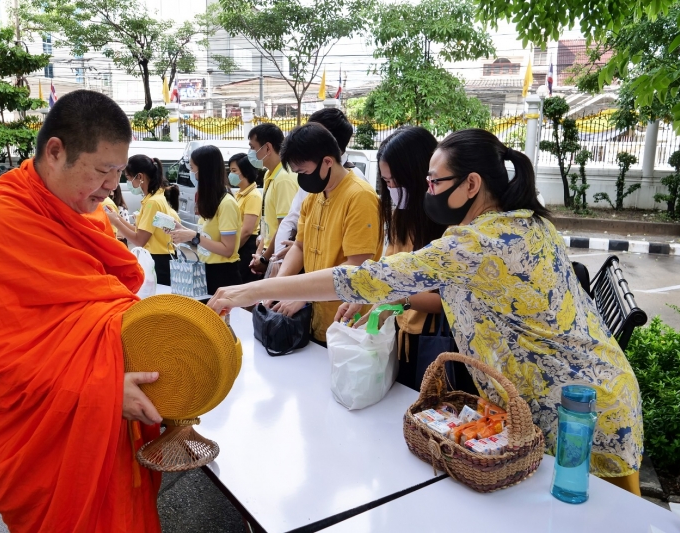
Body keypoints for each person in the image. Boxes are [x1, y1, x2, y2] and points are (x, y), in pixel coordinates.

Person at [208, 128, 644, 496]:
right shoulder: (528, 221)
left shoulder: (475, 244)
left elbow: (360, 278)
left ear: (471, 184)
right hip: (588, 393)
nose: (425, 191)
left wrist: (248, 291)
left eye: (434, 182)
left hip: (580, 414)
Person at [0, 90, 165, 532]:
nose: (111, 188)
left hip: (110, 424)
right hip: (44, 434)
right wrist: (103, 391)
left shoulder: (90, 216)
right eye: (103, 171)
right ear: (55, 152)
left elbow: (106, 307)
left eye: (119, 173)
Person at [334, 127, 462, 391]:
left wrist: (394, 299)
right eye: (387, 182)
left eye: (396, 181)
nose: (391, 188)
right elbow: (385, 273)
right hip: (398, 336)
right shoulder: (400, 218)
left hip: (431, 343)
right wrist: (364, 300)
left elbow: (444, 301)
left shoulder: (448, 228)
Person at [269, 122, 382, 345]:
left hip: (350, 323)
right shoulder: (314, 197)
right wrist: (276, 287)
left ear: (328, 161)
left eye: (304, 171)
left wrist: (302, 296)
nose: (302, 178)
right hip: (316, 319)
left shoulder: (360, 197)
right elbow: (299, 247)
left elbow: (357, 265)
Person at [272, 108, 366, 262]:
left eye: (312, 131)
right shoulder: (315, 190)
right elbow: (299, 238)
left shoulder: (359, 192)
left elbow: (355, 264)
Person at [169, 145, 242, 296]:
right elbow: (207, 237)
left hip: (222, 274)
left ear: (205, 170)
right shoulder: (212, 201)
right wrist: (180, 229)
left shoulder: (227, 203)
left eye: (193, 168)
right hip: (206, 270)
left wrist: (193, 237)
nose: (192, 174)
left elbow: (227, 249)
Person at [107, 155, 180, 285]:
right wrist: (117, 217)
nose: (129, 183)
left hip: (159, 261)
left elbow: (139, 240)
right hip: (159, 259)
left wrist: (116, 222)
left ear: (140, 177)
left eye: (129, 178)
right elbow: (138, 230)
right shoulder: (153, 198)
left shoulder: (153, 202)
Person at [247, 123, 299, 275]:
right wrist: (260, 253)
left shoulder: (284, 178)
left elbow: (285, 227)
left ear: (267, 148)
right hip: (270, 253)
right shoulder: (271, 174)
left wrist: (265, 258)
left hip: (279, 258)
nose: (250, 152)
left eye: (252, 147)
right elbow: (268, 220)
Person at [230, 152, 263, 284]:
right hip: (238, 243)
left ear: (245, 172)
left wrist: (231, 250)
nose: (231, 174)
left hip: (246, 245)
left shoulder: (253, 196)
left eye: (234, 170)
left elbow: (247, 230)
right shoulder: (238, 193)